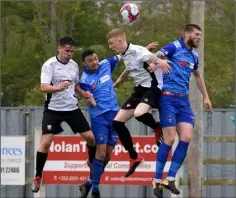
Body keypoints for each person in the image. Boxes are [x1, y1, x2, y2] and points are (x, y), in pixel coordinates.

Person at [152, 24, 212, 198]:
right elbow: (153, 57)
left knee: (186, 137)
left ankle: (170, 178)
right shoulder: (173, 47)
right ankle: (157, 180)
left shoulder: (194, 55)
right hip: (168, 98)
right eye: (196, 34)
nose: (199, 38)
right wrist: (159, 61)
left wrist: (206, 97)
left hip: (183, 101)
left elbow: (198, 76)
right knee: (170, 139)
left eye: (200, 35)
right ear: (187, 34)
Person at [32, 36, 96, 193]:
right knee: (46, 143)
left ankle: (91, 164)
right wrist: (58, 88)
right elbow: (43, 87)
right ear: (59, 49)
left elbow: (76, 86)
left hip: (71, 108)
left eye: (72, 51)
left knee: (91, 139)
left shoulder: (74, 65)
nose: (70, 54)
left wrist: (84, 93)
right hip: (53, 109)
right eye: (67, 50)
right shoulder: (49, 65)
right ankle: (38, 175)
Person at [107, 28, 171, 177]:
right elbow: (129, 69)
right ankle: (134, 157)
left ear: (120, 41)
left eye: (111, 43)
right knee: (116, 122)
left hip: (153, 88)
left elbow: (151, 57)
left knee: (138, 114)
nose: (110, 47)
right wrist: (117, 82)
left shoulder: (138, 51)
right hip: (139, 90)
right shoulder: (125, 54)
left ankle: (157, 127)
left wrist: (160, 61)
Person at [77, 50, 121, 198]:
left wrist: (144, 50)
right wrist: (92, 101)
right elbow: (87, 96)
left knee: (108, 155)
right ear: (85, 63)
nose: (94, 62)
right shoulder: (84, 79)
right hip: (99, 117)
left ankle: (88, 183)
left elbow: (124, 54)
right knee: (100, 153)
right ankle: (95, 190)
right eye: (90, 60)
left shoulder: (106, 64)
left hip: (115, 115)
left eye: (96, 59)